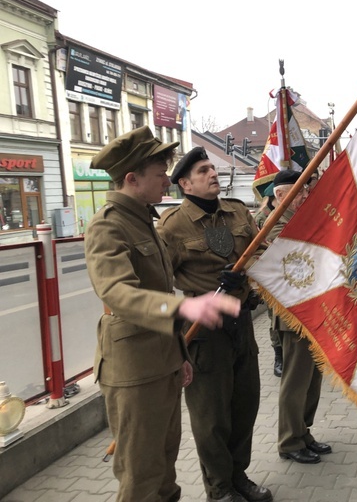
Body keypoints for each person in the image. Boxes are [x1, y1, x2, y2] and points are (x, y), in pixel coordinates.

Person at [85, 127, 241, 502]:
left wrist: (179, 357)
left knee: (165, 467)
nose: (167, 184)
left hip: (162, 362)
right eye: (160, 176)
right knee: (141, 475)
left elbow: (157, 290)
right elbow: (118, 292)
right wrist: (185, 305)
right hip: (135, 370)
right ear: (131, 179)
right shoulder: (108, 224)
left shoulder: (143, 218)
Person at [156, 147, 272, 502]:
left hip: (242, 322)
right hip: (204, 333)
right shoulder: (172, 226)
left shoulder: (236, 212)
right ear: (185, 183)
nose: (212, 174)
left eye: (212, 168)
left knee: (245, 404)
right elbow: (161, 283)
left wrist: (252, 281)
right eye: (204, 170)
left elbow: (261, 251)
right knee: (211, 417)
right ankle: (219, 489)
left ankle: (239, 476)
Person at [265, 169, 331, 464]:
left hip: (314, 310)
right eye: (300, 192)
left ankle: (303, 432)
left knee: (312, 379)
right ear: (282, 196)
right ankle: (289, 441)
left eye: (306, 191)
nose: (306, 196)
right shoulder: (274, 224)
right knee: (295, 382)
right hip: (293, 315)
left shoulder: (301, 218)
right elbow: (298, 256)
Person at [254, 183, 282, 377]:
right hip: (271, 274)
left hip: (284, 275)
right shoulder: (263, 218)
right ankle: (278, 356)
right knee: (274, 319)